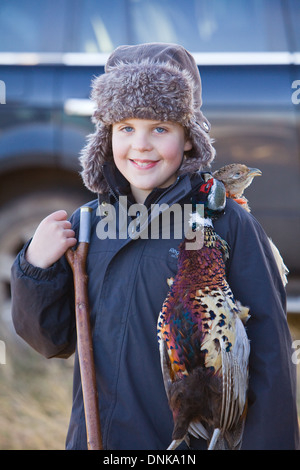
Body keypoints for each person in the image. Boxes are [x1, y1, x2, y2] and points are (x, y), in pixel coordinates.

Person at [11, 43, 299, 450]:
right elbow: (51, 339)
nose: (141, 145)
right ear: (106, 135)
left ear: (188, 139)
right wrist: (35, 267)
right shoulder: (89, 225)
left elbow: (270, 361)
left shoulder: (226, 224)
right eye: (126, 128)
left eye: (160, 128)